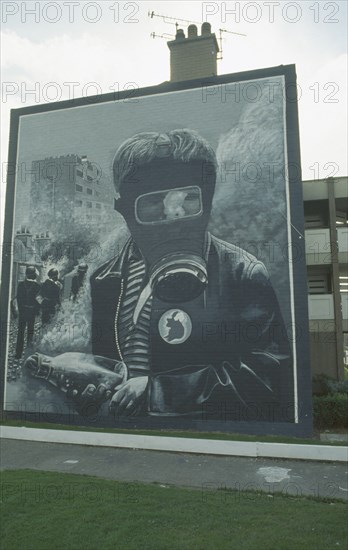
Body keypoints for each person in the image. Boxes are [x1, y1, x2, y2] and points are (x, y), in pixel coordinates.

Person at [26, 129, 294, 422]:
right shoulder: (105, 280)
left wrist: (159, 393)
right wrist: (95, 394)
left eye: (188, 199)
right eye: (154, 203)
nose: (174, 215)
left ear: (208, 201)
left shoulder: (242, 273)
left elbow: (269, 379)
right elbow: (111, 372)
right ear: (125, 211)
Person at [15, 266, 41, 359]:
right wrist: (36, 311)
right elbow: (39, 301)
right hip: (31, 312)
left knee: (20, 332)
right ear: (34, 275)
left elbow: (18, 298)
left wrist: (21, 310)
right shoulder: (37, 286)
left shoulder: (21, 285)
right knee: (30, 332)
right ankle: (28, 354)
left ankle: (18, 354)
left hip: (23, 311)